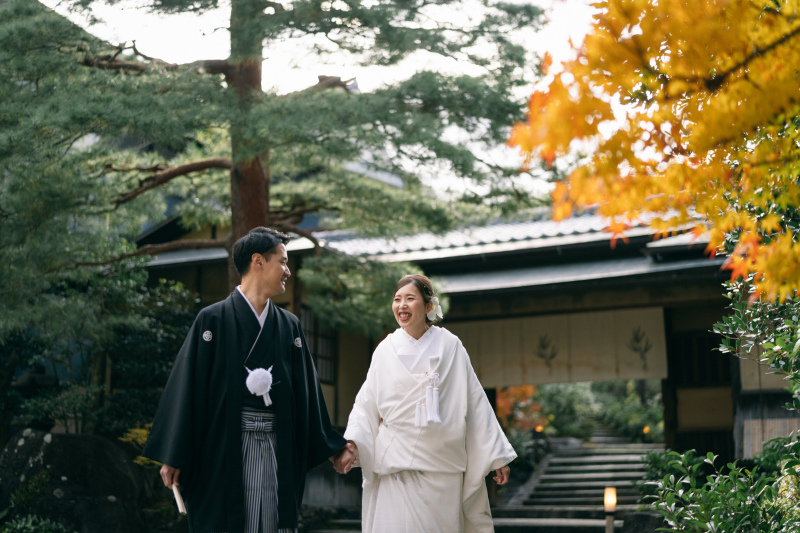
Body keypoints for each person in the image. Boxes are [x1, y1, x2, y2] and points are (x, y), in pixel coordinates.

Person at [142, 227, 346, 533]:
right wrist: (174, 453)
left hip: (277, 445)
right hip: (224, 448)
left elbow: (307, 394)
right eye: (283, 262)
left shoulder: (289, 326)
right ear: (258, 262)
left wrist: (332, 445)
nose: (288, 271)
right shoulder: (211, 320)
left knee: (272, 520)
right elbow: (188, 390)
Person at [334, 274, 516, 533]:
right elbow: (366, 404)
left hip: (441, 468)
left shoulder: (450, 346)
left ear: (429, 306)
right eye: (397, 300)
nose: (402, 306)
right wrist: (352, 443)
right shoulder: (385, 350)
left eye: (410, 298)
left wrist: (496, 455)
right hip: (394, 466)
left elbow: (475, 401)